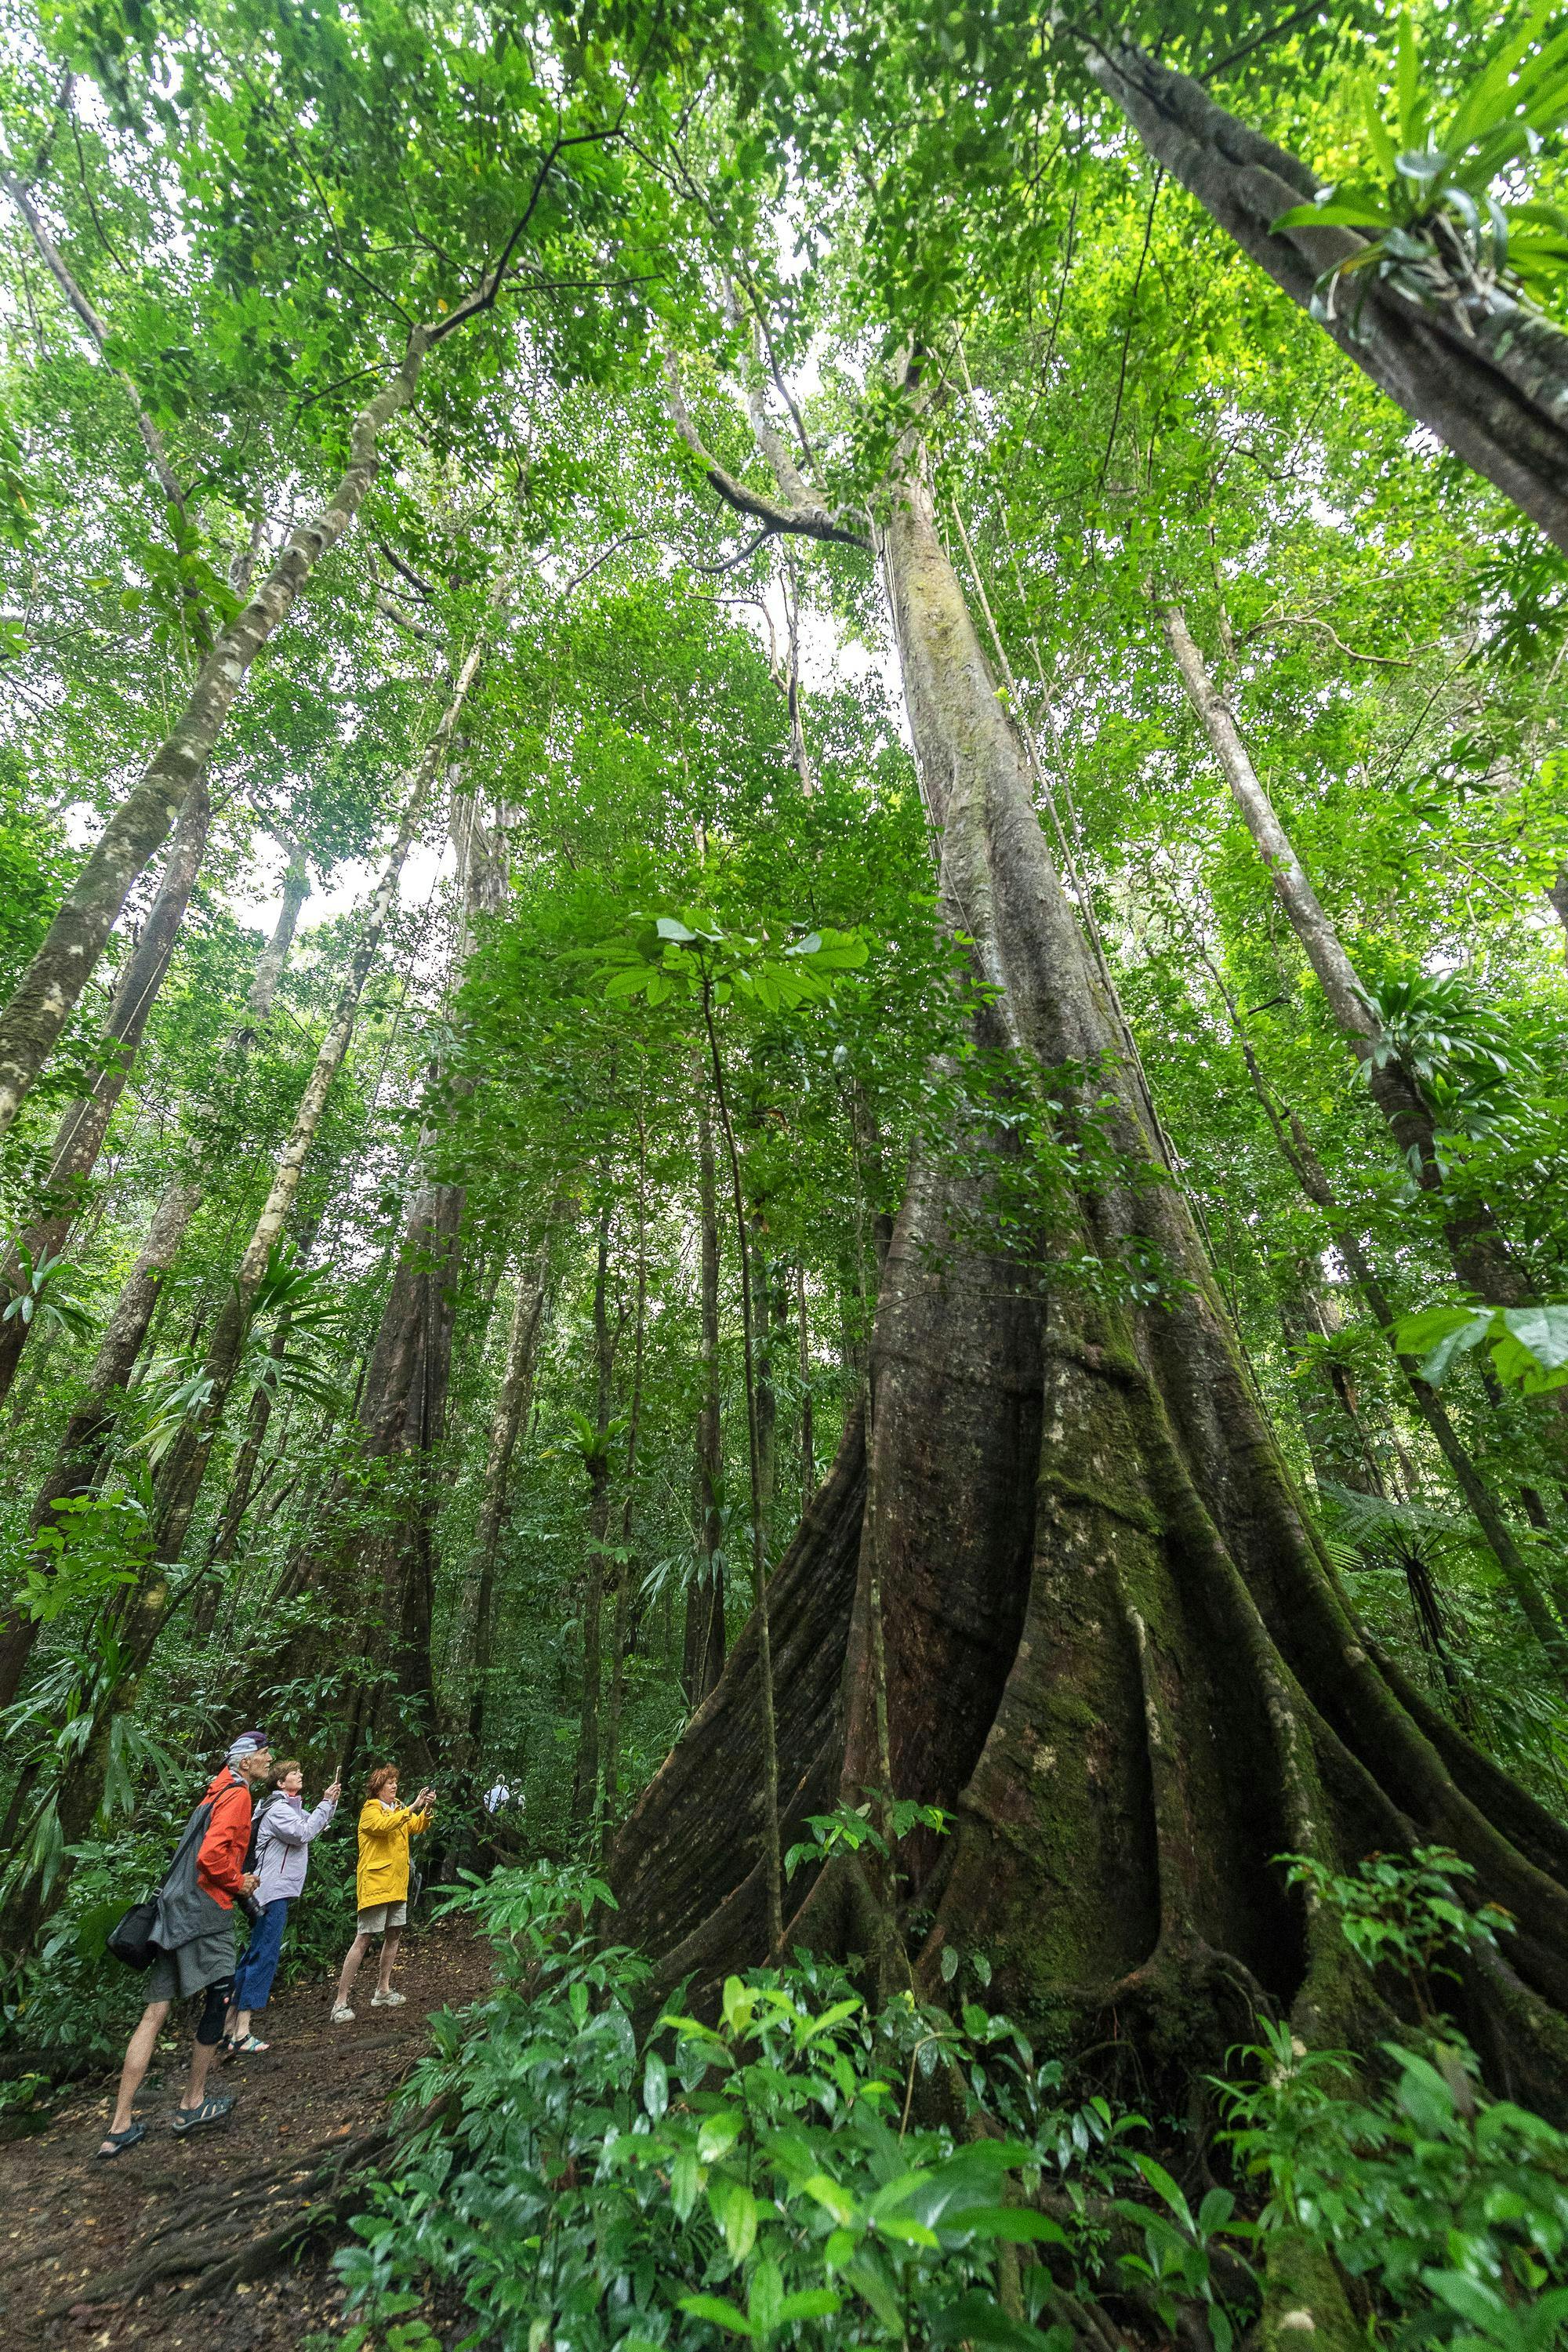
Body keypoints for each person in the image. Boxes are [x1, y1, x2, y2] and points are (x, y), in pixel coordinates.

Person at [96, 1731, 272, 2158]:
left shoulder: (214, 1793)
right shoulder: (238, 1797)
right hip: (203, 1912)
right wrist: (240, 1882)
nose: (271, 1760)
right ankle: (192, 2104)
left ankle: (119, 2126)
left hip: (173, 1912)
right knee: (221, 1996)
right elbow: (211, 1858)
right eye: (265, 1754)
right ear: (246, 1762)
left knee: (155, 2012)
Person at [221, 1759, 340, 2055]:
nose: (300, 1775)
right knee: (263, 1957)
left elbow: (315, 1825)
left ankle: (228, 2029)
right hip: (271, 1892)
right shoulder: (277, 1810)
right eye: (293, 1773)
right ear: (280, 1783)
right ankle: (242, 2031)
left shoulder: (287, 1808)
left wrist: (330, 1804)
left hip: (273, 1891)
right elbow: (302, 1833)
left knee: (254, 1955)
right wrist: (326, 1803)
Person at [331, 1764, 434, 2024]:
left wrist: (426, 1807)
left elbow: (416, 1826)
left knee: (394, 1933)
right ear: (378, 1787)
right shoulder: (369, 1811)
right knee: (364, 1938)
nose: (394, 1786)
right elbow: (383, 1826)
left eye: (396, 1782)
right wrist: (411, 1807)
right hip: (376, 1885)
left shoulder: (398, 1808)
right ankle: (340, 2002)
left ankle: (383, 1990)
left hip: (397, 1885)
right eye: (390, 1783)